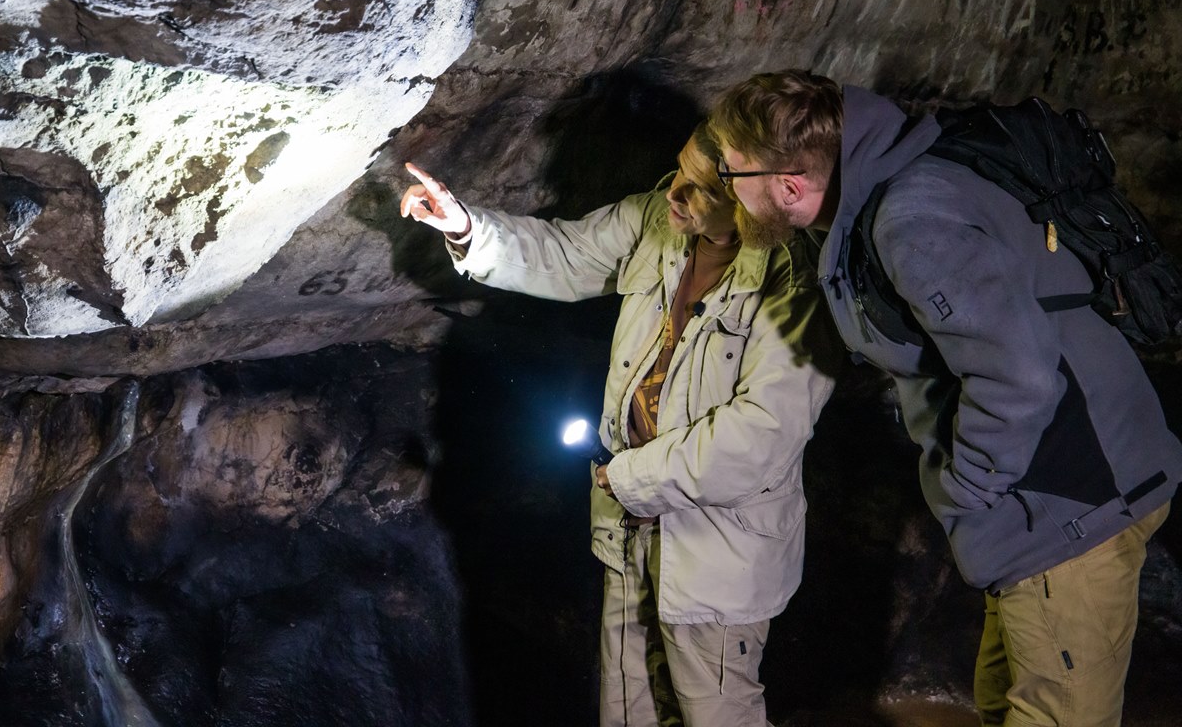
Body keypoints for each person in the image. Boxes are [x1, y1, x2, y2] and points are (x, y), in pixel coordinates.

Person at [707, 70, 1182, 726]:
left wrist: (968, 488)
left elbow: (1019, 376)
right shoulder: (914, 177)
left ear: (788, 185)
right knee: (1000, 699)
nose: (724, 191)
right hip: (1075, 479)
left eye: (732, 175)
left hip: (1065, 500)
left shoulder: (912, 219)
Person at [399, 122, 839, 726]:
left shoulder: (792, 279)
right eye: (677, 172)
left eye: (701, 189)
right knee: (628, 709)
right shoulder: (658, 221)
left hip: (719, 540)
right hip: (629, 526)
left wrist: (629, 477)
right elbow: (565, 252)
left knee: (716, 713)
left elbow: (763, 433)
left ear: (751, 198)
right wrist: (468, 229)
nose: (675, 195)